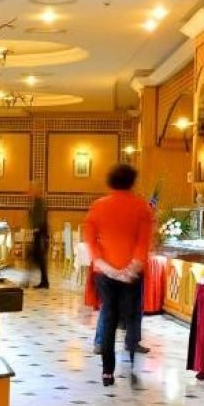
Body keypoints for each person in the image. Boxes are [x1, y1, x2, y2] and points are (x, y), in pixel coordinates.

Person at [84, 164, 152, 386]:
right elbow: (143, 242)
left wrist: (106, 266)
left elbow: (90, 241)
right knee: (132, 317)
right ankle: (131, 365)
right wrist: (131, 268)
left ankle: (107, 372)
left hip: (105, 272)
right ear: (132, 181)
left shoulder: (98, 206)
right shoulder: (142, 207)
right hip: (132, 273)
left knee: (109, 316)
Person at [27, 183, 49, 289]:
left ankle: (28, 281)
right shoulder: (37, 201)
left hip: (39, 233)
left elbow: (40, 217)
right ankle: (44, 282)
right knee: (38, 258)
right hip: (39, 232)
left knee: (35, 257)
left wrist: (36, 229)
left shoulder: (39, 202)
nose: (29, 192)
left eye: (31, 190)